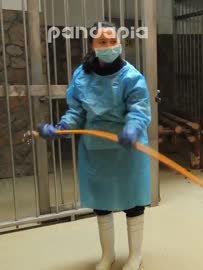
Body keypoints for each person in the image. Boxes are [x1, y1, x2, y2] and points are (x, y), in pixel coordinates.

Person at [37, 21, 151, 270]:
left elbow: (139, 109)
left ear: (120, 43)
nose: (109, 46)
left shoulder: (131, 76)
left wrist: (132, 128)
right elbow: (76, 111)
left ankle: (135, 255)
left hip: (128, 148)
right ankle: (107, 255)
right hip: (96, 149)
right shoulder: (82, 75)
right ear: (92, 45)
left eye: (113, 41)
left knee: (133, 203)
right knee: (102, 204)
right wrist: (62, 128)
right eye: (102, 42)